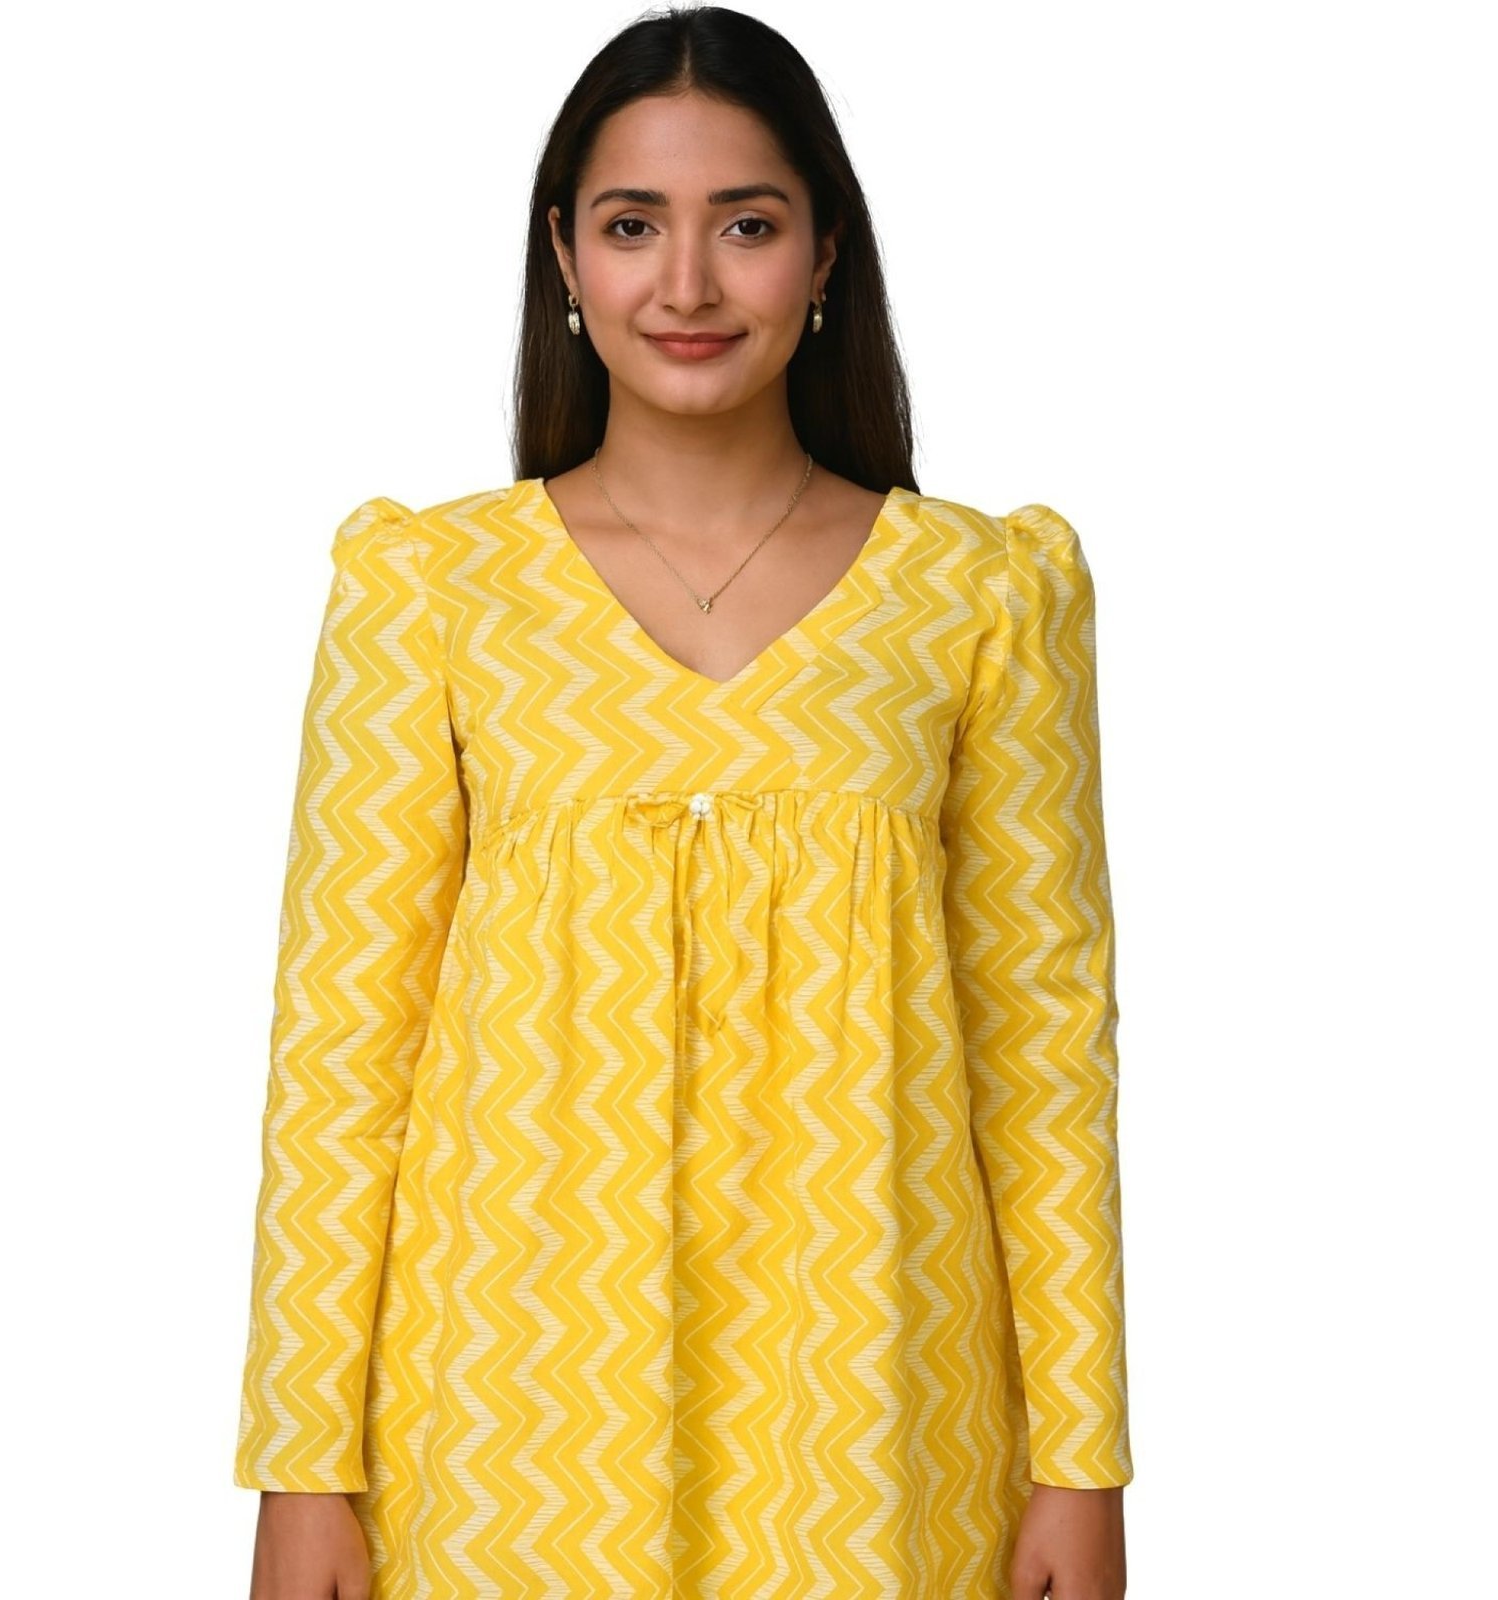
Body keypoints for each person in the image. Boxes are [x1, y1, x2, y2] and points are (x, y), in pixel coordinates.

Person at [233, 7, 1133, 1597]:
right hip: (502, 1406)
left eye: (749, 225)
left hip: (877, 1403)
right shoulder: (431, 590)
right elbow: (340, 1059)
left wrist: (1083, 1455)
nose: (690, 285)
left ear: (827, 252)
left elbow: (1044, 1055)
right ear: (565, 258)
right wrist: (303, 1466)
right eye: (634, 225)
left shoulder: (981, 595)